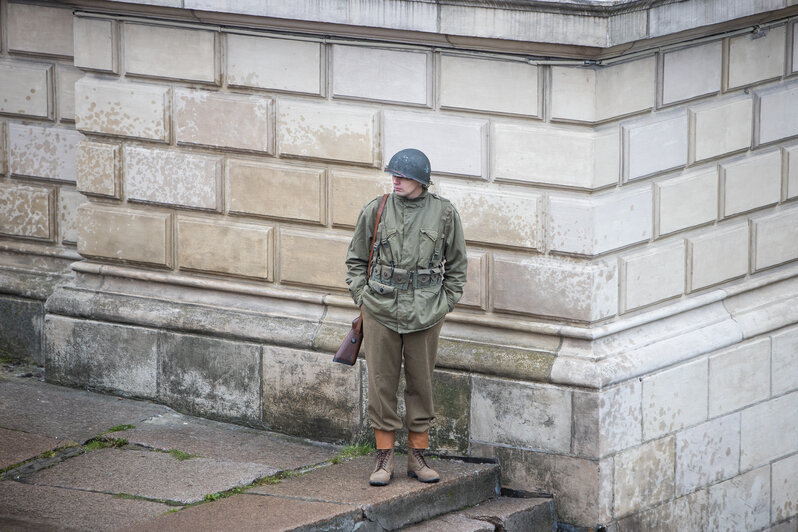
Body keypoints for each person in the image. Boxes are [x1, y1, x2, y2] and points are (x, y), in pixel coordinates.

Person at [345, 148, 467, 486]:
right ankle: (384, 459)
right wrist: (363, 299)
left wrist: (445, 304)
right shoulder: (377, 208)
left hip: (426, 312)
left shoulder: (444, 214)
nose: (395, 180)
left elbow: (457, 267)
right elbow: (355, 261)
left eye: (402, 176)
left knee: (421, 385)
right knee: (382, 383)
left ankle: (418, 456)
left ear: (420, 180)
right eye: (393, 175)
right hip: (380, 310)